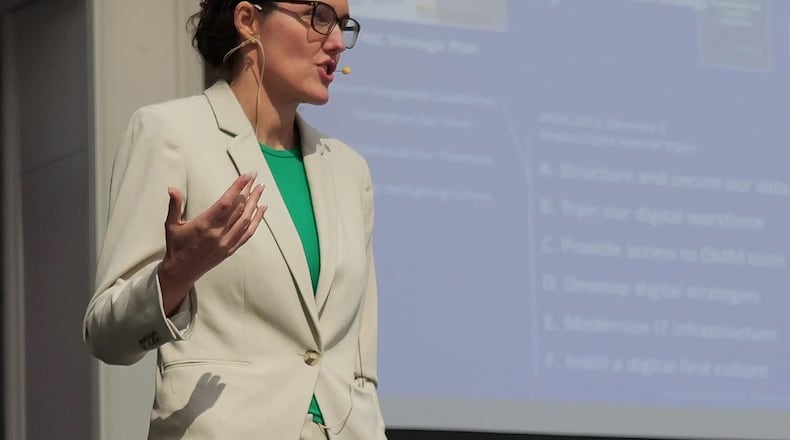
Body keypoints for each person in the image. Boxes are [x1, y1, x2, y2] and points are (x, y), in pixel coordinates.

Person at [82, 1, 386, 439]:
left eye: (343, 24)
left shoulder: (349, 169)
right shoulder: (170, 133)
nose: (337, 41)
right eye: (319, 17)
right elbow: (105, 334)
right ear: (248, 20)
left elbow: (360, 366)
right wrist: (174, 276)